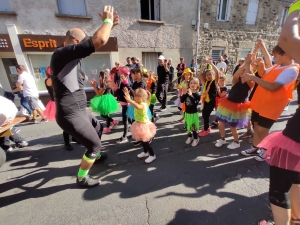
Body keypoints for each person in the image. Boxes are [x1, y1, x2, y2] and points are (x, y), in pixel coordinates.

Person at [50, 5, 119, 187]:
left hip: (81, 110)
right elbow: (100, 40)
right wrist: (108, 22)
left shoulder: (71, 59)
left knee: (98, 127)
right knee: (94, 145)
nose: (85, 46)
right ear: (74, 42)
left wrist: (110, 26)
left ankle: (93, 157)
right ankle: (82, 178)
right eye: (83, 43)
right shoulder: (61, 54)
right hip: (70, 114)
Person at [240, 46, 298, 161]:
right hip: (260, 102)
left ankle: (266, 150)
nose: (273, 58)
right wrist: (260, 65)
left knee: (262, 130)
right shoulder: (278, 66)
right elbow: (264, 74)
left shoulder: (291, 70)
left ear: (285, 55)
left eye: (275, 56)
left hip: (271, 106)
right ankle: (256, 147)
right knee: (256, 127)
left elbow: (273, 87)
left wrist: (252, 77)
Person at [215, 54, 254, 149]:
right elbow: (236, 75)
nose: (241, 73)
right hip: (228, 103)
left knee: (233, 127)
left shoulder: (250, 83)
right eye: (241, 71)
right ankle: (222, 139)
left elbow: (249, 73)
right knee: (221, 123)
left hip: (238, 107)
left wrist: (248, 64)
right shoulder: (236, 81)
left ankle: (236, 142)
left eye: (244, 71)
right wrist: (244, 64)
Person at [43, 67, 74, 151]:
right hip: (56, 104)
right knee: (66, 123)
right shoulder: (49, 80)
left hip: (65, 101)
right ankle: (67, 143)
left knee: (72, 121)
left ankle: (75, 138)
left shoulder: (57, 78)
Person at [123, 88, 156, 163]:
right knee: (142, 141)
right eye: (134, 96)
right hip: (138, 124)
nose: (135, 98)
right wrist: (128, 96)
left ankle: (152, 155)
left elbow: (138, 107)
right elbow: (134, 105)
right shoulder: (137, 103)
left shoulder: (143, 105)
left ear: (142, 98)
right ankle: (145, 152)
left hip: (144, 125)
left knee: (146, 142)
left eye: (136, 97)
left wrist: (129, 100)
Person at [198, 60, 219, 137]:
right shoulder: (206, 81)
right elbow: (199, 75)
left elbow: (217, 72)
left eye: (210, 74)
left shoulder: (214, 82)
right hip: (205, 101)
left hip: (211, 101)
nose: (209, 76)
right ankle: (206, 128)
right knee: (204, 115)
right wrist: (203, 66)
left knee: (206, 115)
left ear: (213, 75)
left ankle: (206, 130)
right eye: (207, 75)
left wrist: (211, 63)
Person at [180, 77, 201, 147]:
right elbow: (182, 100)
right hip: (187, 113)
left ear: (198, 85)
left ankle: (196, 138)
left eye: (195, 83)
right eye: (191, 83)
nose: (192, 84)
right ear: (189, 84)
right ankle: (190, 136)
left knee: (193, 128)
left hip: (193, 114)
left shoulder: (197, 95)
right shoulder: (187, 92)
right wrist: (184, 94)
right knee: (187, 127)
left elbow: (195, 104)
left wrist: (191, 95)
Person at [115, 67, 132, 144]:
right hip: (124, 104)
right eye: (120, 73)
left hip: (126, 104)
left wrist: (115, 89)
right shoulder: (123, 82)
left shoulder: (126, 82)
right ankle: (134, 132)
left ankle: (124, 137)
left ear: (125, 74)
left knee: (125, 121)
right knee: (129, 120)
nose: (120, 75)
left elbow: (128, 92)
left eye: (121, 74)